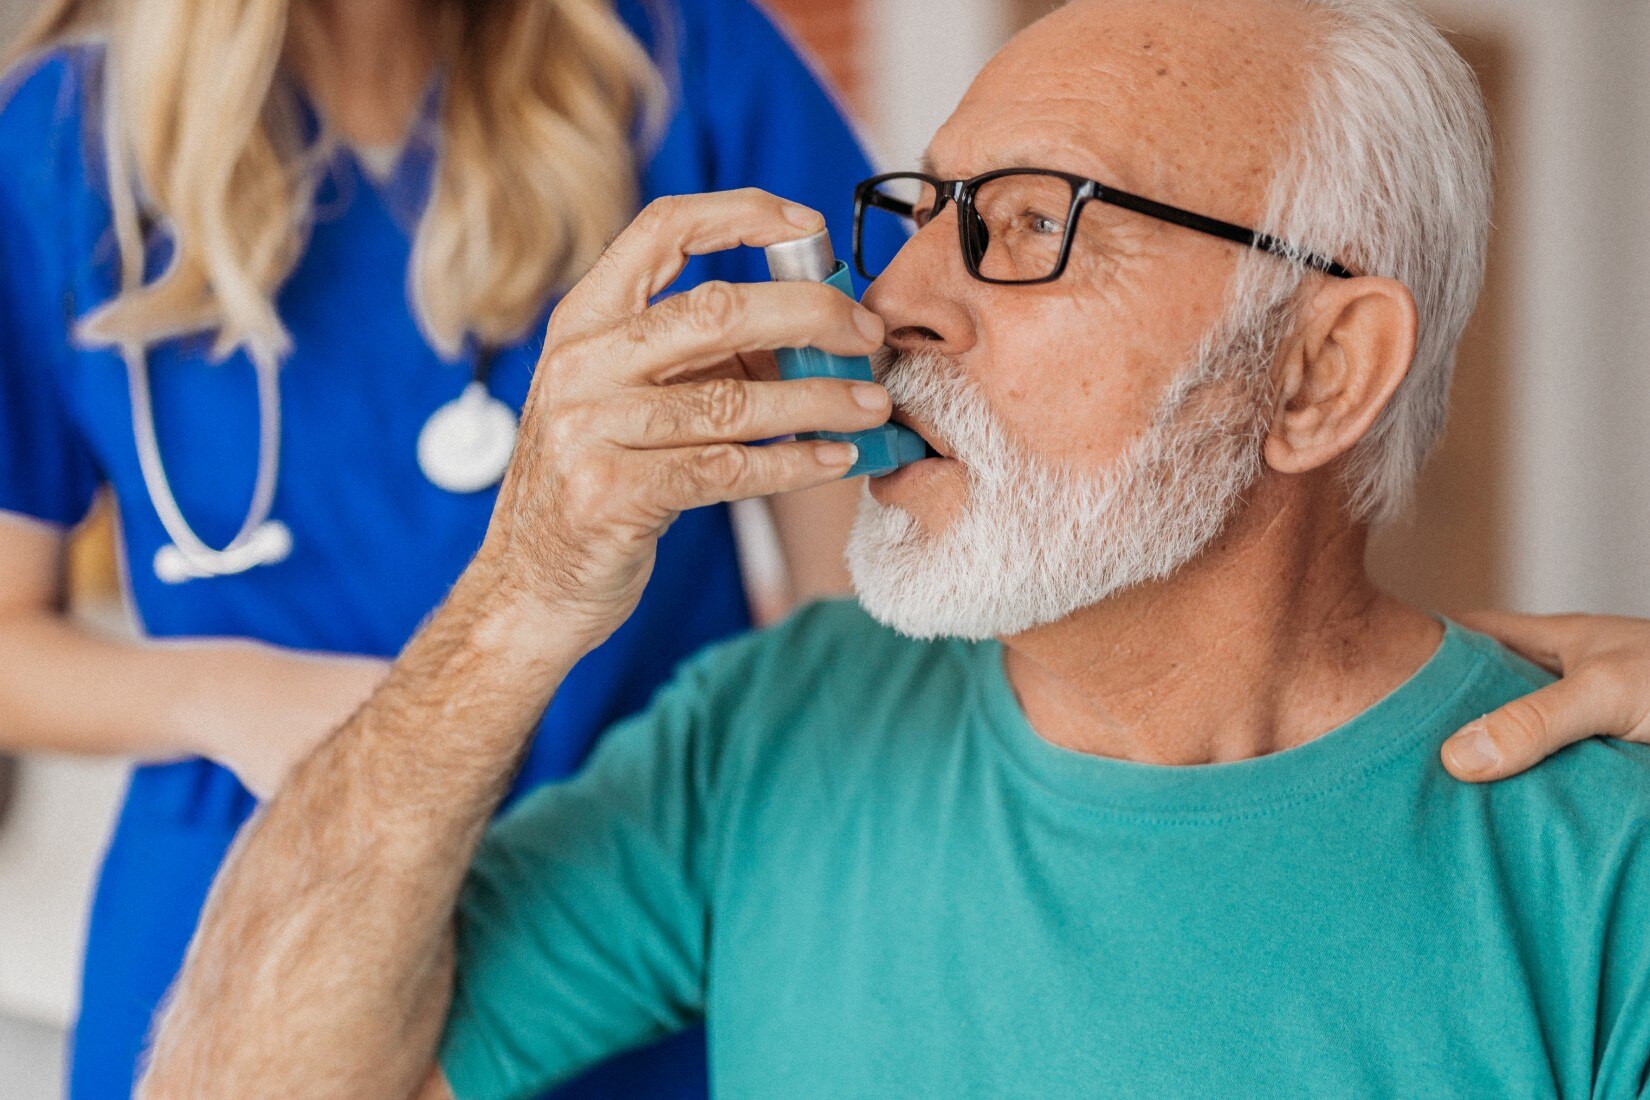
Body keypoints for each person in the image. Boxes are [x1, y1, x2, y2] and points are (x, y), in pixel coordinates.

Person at [139, 0, 1650, 1095]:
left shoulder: (1604, 871)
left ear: (1318, 372)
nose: (895, 303)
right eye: (921, 214)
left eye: (1031, 223)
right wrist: (519, 592)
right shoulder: (773, 725)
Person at [0, 0, 887, 1095]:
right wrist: (231, 696)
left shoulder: (686, 61)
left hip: (637, 900)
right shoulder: (61, 146)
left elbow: (857, 595)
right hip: (255, 918)